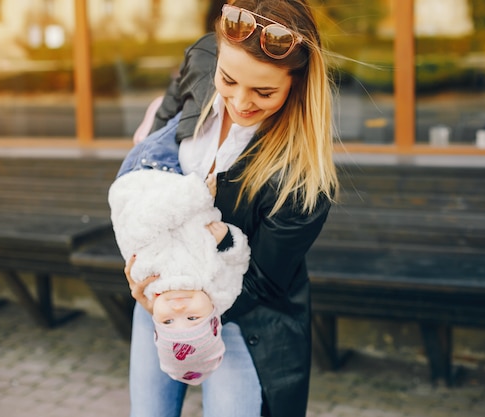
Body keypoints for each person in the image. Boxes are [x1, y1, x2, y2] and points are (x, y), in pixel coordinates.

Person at [125, 0, 338, 415]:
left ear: (297, 84)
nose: (240, 102)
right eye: (228, 79)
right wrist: (154, 289)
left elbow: (265, 283)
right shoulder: (202, 57)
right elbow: (152, 151)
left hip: (245, 322)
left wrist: (185, 300)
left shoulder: (301, 181)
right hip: (157, 306)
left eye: (264, 91)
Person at [109, 112, 251, 385]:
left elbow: (143, 221)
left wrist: (198, 194)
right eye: (192, 317)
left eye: (168, 323)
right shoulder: (223, 293)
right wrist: (228, 241)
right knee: (206, 121)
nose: (177, 309)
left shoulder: (152, 279)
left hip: (145, 175)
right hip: (184, 185)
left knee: (187, 113)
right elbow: (238, 261)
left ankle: (159, 112)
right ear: (213, 316)